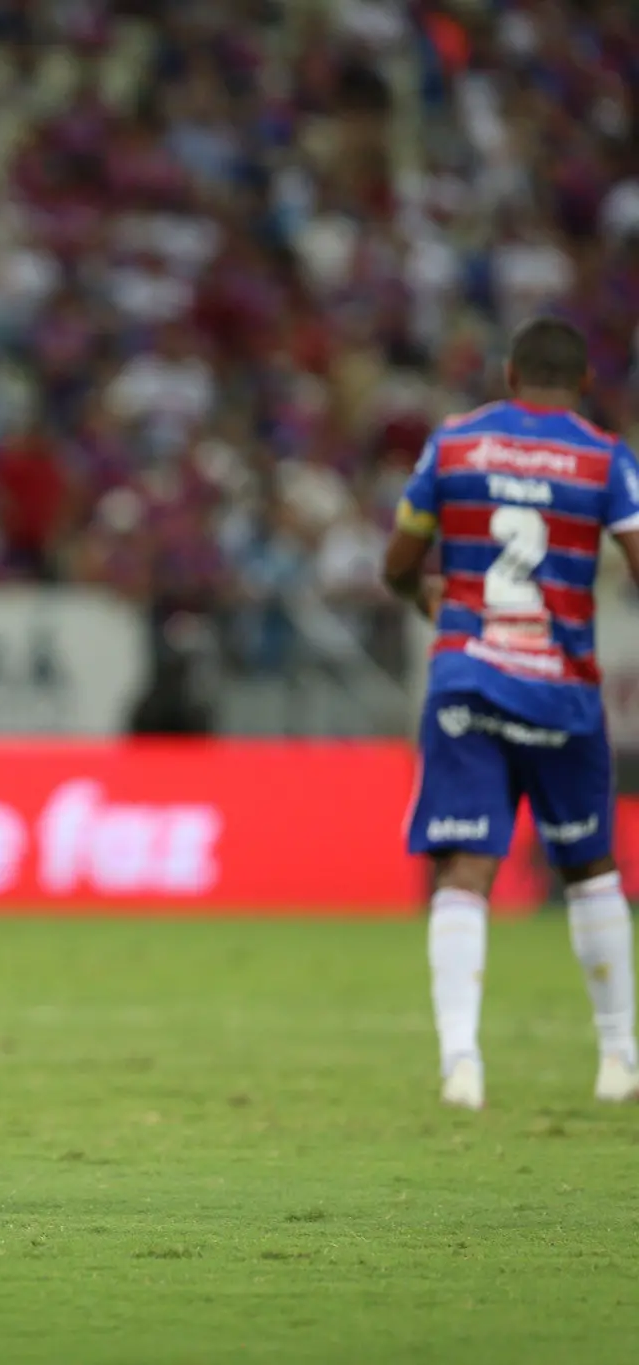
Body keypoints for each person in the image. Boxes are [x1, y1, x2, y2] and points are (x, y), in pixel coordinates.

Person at [384, 317, 639, 1112]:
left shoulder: (453, 445)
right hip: (562, 688)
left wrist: (429, 595)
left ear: (508, 373)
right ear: (585, 384)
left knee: (463, 871)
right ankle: (618, 1057)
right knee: (591, 869)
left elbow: (398, 561)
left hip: (469, 678)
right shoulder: (605, 459)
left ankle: (461, 1061)